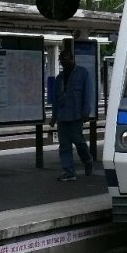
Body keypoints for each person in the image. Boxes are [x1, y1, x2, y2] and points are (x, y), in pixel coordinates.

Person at [49, 49, 94, 182]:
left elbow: (87, 94)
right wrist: (53, 117)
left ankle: (88, 160)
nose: (64, 61)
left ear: (72, 59)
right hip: (62, 116)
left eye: (66, 58)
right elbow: (56, 100)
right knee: (64, 145)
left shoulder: (83, 73)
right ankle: (68, 171)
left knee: (78, 141)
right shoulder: (59, 78)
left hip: (76, 115)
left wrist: (86, 112)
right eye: (62, 59)